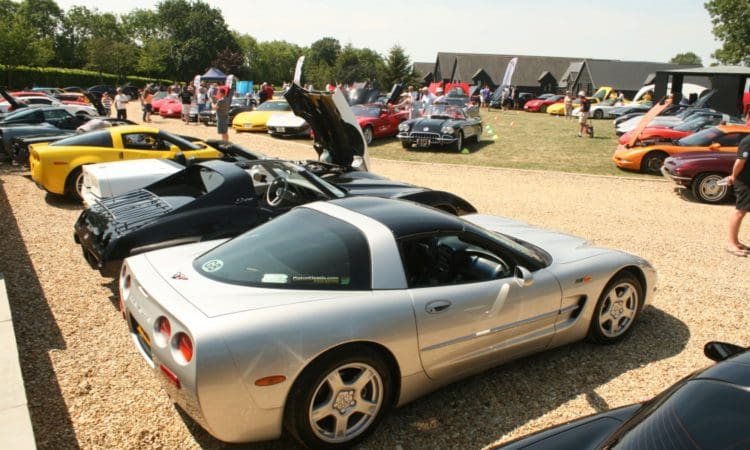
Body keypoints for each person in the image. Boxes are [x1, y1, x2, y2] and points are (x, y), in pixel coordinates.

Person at [726, 135, 750, 256]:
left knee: (743, 211)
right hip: (744, 182)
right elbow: (740, 162)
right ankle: (731, 244)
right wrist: (733, 177)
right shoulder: (747, 141)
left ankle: (736, 242)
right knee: (740, 211)